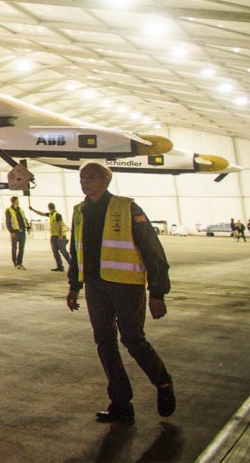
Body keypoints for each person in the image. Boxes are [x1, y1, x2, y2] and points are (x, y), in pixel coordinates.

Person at [66, 161, 175, 423]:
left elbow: (153, 250)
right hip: (95, 286)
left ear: (105, 180)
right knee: (104, 342)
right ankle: (121, 402)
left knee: (133, 340)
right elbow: (75, 250)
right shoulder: (79, 211)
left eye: (91, 177)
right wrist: (74, 286)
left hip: (127, 285)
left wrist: (157, 293)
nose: (85, 182)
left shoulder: (127, 207)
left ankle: (163, 383)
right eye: (82, 177)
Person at [30, 201, 71, 272]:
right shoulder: (51, 214)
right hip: (54, 236)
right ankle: (60, 266)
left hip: (59, 236)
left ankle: (72, 265)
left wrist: (60, 235)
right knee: (56, 252)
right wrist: (33, 209)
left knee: (63, 251)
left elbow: (60, 225)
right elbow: (41, 213)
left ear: (49, 208)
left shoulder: (57, 215)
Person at [5, 195, 30, 269]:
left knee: (21, 248)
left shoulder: (20, 209)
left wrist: (27, 226)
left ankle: (20, 263)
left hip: (22, 231)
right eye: (18, 200)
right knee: (14, 247)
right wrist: (11, 231)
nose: (19, 202)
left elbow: (24, 218)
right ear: (14, 201)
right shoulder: (9, 210)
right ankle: (15, 263)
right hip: (15, 231)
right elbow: (8, 222)